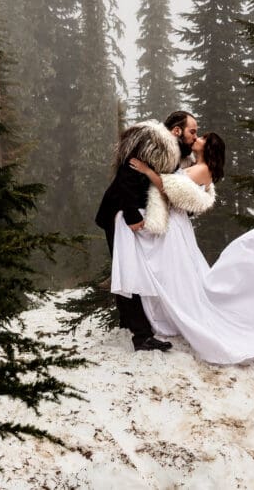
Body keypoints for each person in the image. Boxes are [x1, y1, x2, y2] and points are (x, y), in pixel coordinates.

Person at [121, 132, 254, 365]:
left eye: (203, 137)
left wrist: (147, 171)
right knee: (177, 272)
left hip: (175, 224)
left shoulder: (202, 169)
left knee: (175, 273)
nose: (198, 138)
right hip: (175, 222)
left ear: (209, 147)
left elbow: (169, 188)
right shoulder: (194, 165)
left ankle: (173, 316)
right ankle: (163, 316)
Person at [94, 111, 198, 351]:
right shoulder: (154, 144)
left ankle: (130, 325)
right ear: (176, 131)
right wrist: (131, 214)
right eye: (192, 131)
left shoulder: (177, 153)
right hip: (119, 213)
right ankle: (140, 336)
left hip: (134, 213)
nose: (195, 136)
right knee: (128, 270)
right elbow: (125, 176)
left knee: (132, 267)